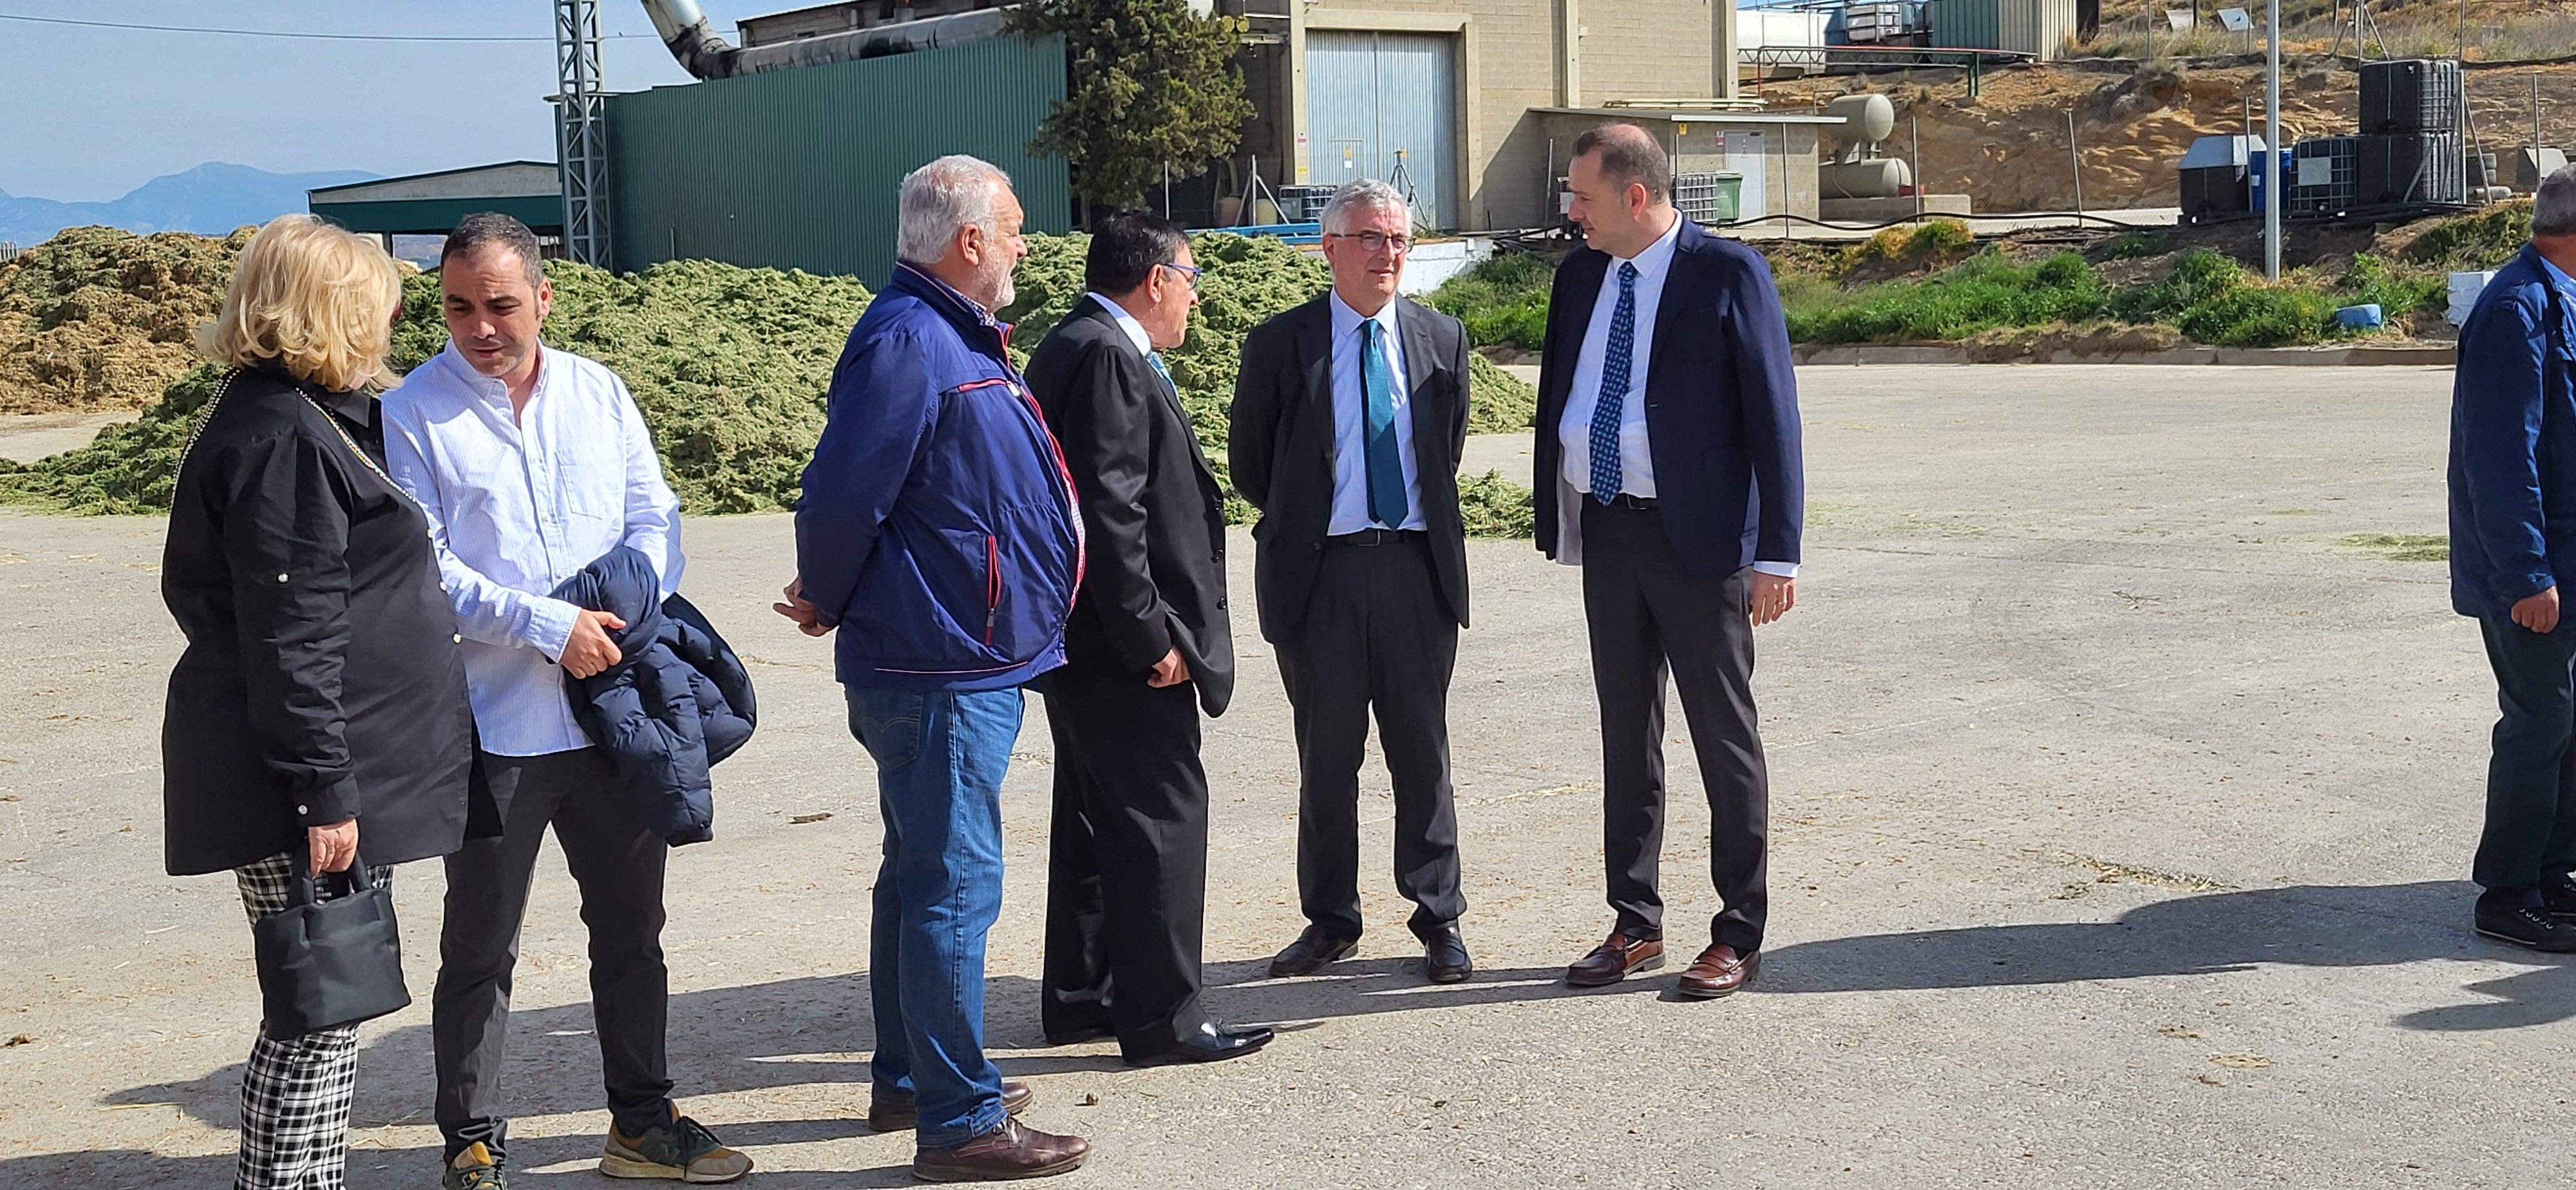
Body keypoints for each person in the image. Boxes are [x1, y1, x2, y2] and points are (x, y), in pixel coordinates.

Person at [382, 213, 751, 1188]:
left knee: (632, 934)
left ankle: (640, 1123)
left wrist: (631, 602)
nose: (481, 326)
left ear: (544, 296)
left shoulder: (599, 392)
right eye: (459, 306)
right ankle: (470, 1142)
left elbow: (655, 517)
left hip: (615, 713)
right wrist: (553, 627)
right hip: (499, 726)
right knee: (480, 946)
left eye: (501, 304)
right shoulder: (415, 411)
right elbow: (432, 570)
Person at [775, 155, 1092, 1181]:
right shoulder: (913, 341)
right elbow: (841, 491)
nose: (1022, 245)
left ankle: (912, 1076)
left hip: (956, 651)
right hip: (941, 662)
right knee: (952, 887)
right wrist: (825, 591)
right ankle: (960, 1121)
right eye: (1012, 229)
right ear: (967, 242)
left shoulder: (947, 336)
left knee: (918, 879)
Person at [160, 213, 478, 1190]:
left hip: (319, 766)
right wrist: (322, 791)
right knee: (321, 1010)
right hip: (297, 781)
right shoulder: (284, 439)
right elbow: (289, 632)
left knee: (324, 1006)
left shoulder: (292, 412)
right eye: (380, 305)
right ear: (334, 312)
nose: (392, 321)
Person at [1533, 122, 1804, 999]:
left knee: (1723, 738)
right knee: (1626, 733)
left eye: (1582, 195)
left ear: (1634, 196)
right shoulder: (1580, 276)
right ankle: (1634, 922)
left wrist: (1779, 555)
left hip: (1704, 545)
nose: (1571, 211)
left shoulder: (1727, 274)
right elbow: (1562, 396)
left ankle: (1738, 931)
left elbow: (1774, 418)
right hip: (1612, 533)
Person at [1022, 212, 1275, 1066]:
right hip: (1124, 646)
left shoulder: (1077, 341)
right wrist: (1149, 637)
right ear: (1157, 279)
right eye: (1192, 279)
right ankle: (1165, 1017)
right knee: (1162, 815)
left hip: (1084, 646)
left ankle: (1084, 993)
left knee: (1098, 821)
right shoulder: (1106, 353)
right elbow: (1108, 514)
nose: (1196, 297)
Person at [1231, 179, 1477, 986]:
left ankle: (1438, 917)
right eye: (1370, 238)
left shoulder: (1442, 338)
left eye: (1400, 240)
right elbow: (1252, 465)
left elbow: (1445, 456)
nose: (1388, 254)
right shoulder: (1279, 345)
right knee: (1327, 761)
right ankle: (1330, 920)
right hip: (1320, 577)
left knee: (1422, 755)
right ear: (1329, 248)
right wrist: (1317, 516)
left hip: (1414, 572)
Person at [2447, 164, 2576, 953]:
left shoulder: (2560, 300)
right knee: (2539, 722)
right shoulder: (2516, 310)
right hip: (2533, 572)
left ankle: (2556, 872)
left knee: (2568, 722)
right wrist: (2527, 576)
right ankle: (2507, 891)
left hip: (2567, 559)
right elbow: (2498, 461)